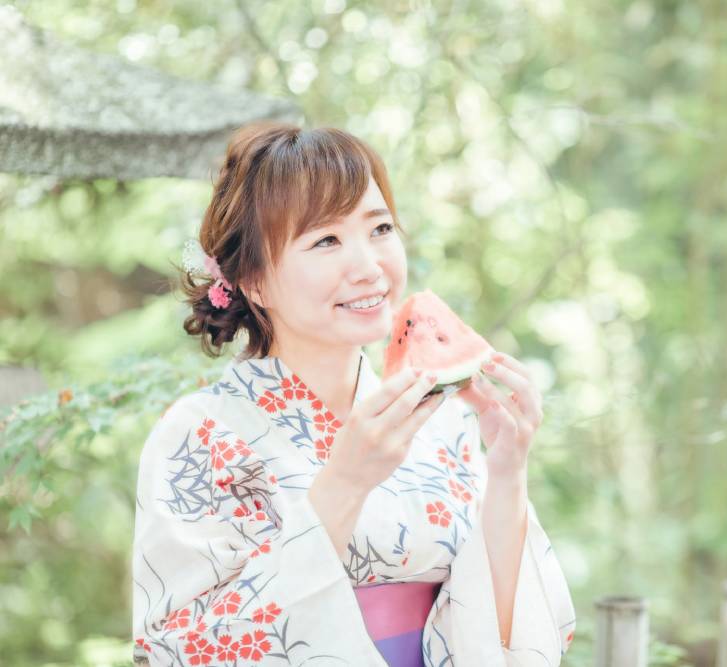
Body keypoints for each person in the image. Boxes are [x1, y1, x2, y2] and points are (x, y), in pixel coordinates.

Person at [131, 121, 576, 666]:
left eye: (381, 229)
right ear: (253, 281)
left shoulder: (443, 418)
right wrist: (345, 482)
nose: (369, 267)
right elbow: (185, 647)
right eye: (325, 240)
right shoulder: (199, 434)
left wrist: (508, 472)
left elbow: (507, 628)